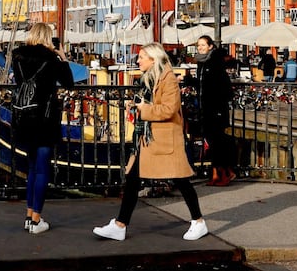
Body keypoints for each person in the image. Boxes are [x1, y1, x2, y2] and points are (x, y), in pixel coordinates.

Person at [93, 42, 208, 241]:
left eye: (142, 57)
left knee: (181, 180)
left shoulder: (168, 79)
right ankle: (120, 225)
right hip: (149, 139)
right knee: (133, 179)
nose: (138, 60)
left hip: (163, 139)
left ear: (153, 60)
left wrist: (141, 109)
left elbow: (168, 109)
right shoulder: (150, 80)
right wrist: (138, 106)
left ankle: (198, 221)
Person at [11, 23, 74, 235]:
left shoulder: (18, 57)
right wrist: (62, 57)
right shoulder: (51, 59)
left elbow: (20, 83)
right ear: (48, 38)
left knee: (31, 168)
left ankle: (29, 216)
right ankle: (37, 220)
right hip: (45, 119)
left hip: (24, 117)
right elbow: (69, 83)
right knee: (42, 169)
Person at [182, 35, 236, 186]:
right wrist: (188, 80)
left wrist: (218, 106)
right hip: (206, 108)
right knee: (212, 141)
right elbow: (202, 83)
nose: (200, 48)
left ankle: (223, 174)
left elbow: (220, 85)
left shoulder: (215, 62)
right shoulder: (202, 63)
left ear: (210, 46)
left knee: (217, 141)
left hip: (216, 108)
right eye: (198, 46)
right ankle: (219, 174)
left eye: (203, 45)